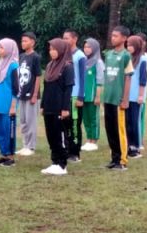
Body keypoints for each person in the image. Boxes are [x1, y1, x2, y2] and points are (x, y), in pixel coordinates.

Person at [40, 38, 75, 176]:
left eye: (54, 49)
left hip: (60, 107)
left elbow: (68, 89)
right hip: (49, 106)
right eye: (50, 49)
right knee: (51, 135)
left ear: (61, 50)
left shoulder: (67, 66)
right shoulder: (50, 66)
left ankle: (62, 164)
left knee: (60, 135)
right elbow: (46, 87)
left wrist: (65, 108)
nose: (51, 52)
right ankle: (54, 161)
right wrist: (43, 105)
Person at [101, 26, 134, 170]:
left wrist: (125, 99)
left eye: (116, 36)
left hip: (118, 100)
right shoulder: (108, 54)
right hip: (108, 98)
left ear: (124, 38)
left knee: (119, 129)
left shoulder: (126, 56)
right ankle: (114, 158)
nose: (112, 38)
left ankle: (122, 160)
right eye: (112, 35)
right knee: (110, 129)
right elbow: (107, 77)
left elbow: (128, 78)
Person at [0, 38, 20, 167]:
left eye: (2, 47)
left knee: (9, 129)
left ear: (9, 49)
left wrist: (13, 106)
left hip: (8, 104)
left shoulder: (13, 66)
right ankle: (3, 154)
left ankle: (10, 156)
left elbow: (16, 88)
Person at [15, 33, 42, 157]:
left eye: (25, 41)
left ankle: (31, 146)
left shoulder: (35, 57)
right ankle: (25, 144)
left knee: (31, 121)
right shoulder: (21, 56)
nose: (23, 43)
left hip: (31, 94)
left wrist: (35, 94)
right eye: (22, 40)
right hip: (21, 93)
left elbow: (37, 76)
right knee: (23, 120)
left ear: (32, 42)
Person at [63, 29, 87, 160]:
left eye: (67, 38)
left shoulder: (80, 56)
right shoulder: (63, 54)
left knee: (75, 125)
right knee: (65, 125)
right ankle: (66, 149)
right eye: (63, 38)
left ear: (74, 39)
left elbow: (83, 78)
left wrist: (80, 96)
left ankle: (75, 152)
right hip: (65, 95)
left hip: (75, 96)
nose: (65, 41)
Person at [77, 38, 103, 155]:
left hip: (93, 96)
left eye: (89, 47)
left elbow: (100, 81)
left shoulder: (98, 62)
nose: (86, 49)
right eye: (85, 47)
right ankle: (88, 139)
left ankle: (94, 140)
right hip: (84, 96)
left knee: (94, 118)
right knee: (85, 118)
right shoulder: (84, 61)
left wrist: (97, 96)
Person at [126, 35, 147, 158]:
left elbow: (143, 80)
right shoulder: (127, 58)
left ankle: (135, 147)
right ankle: (127, 145)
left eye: (131, 45)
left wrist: (141, 95)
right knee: (126, 122)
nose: (128, 47)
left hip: (135, 97)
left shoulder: (142, 60)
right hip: (126, 96)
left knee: (134, 122)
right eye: (128, 44)